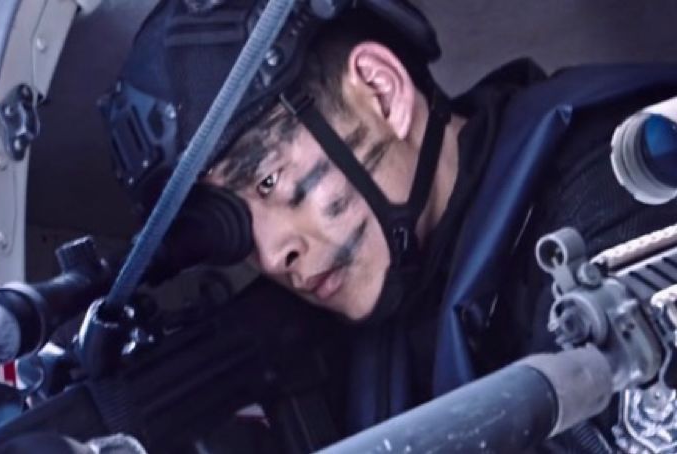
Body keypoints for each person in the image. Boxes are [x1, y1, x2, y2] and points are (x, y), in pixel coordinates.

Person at [102, 0, 677, 451]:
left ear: (381, 92)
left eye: (270, 181)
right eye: (235, 227)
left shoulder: (621, 185)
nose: (273, 254)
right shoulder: (364, 340)